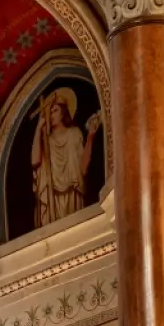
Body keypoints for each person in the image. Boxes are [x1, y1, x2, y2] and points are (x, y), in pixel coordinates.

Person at [30, 86, 101, 228]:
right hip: (52, 199)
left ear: (64, 111)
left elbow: (83, 168)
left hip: (72, 195)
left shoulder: (74, 134)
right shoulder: (46, 141)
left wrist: (91, 137)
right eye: (49, 112)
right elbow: (35, 161)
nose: (51, 115)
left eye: (55, 110)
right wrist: (38, 129)